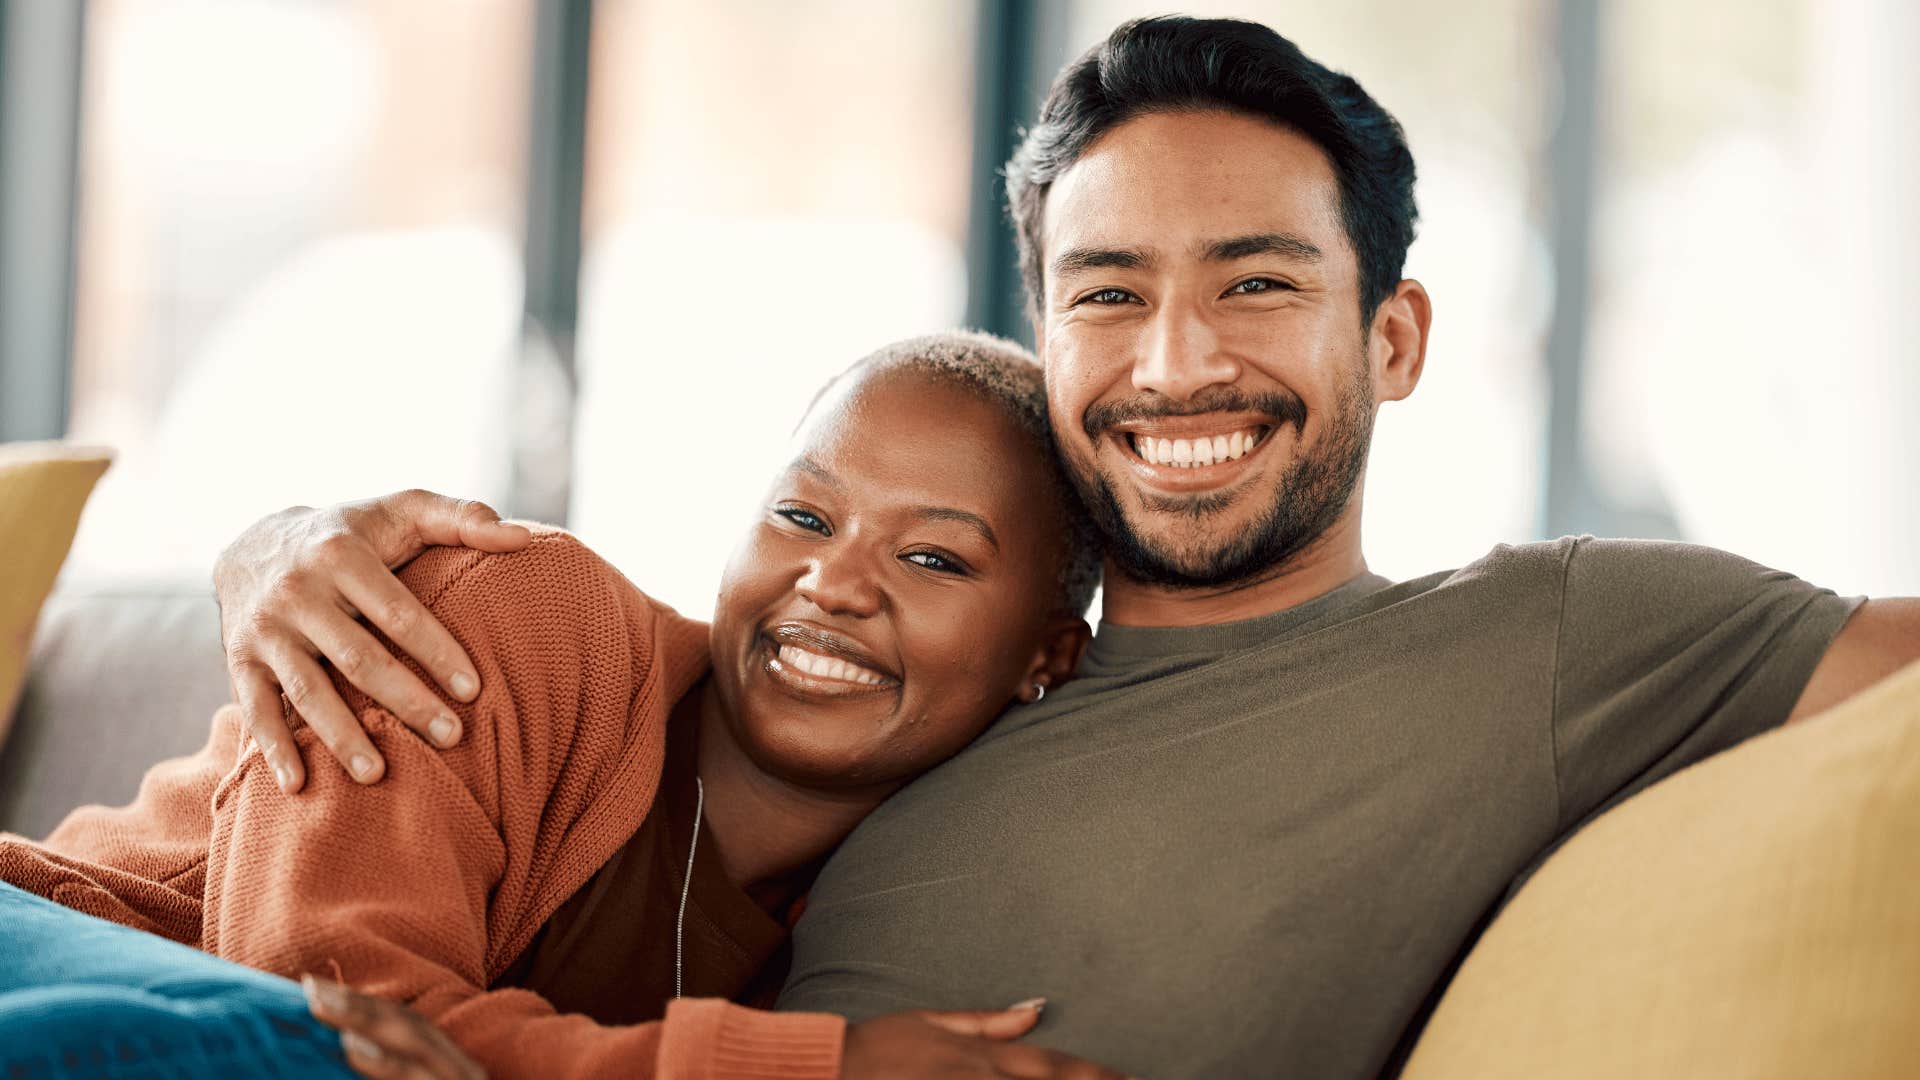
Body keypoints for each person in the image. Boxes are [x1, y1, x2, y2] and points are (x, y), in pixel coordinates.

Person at [209, 16, 1920, 1080]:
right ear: (1048, 330)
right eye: (1111, 295)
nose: (1176, 364)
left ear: (1391, 340)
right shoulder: (919, 684)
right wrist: (278, 544)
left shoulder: (1559, 643)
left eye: (1257, 282)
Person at [1, 333, 1134, 1079]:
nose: (832, 583)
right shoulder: (512, 611)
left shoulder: (897, 910)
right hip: (57, 946)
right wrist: (815, 1068)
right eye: (802, 517)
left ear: (1048, 655)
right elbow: (327, 997)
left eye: (934, 559)